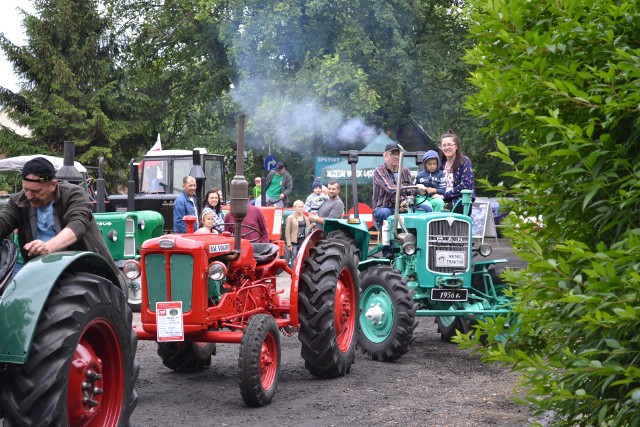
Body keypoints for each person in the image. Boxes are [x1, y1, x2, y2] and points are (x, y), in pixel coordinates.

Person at [0, 157, 118, 272]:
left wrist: (48, 247)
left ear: (53, 185)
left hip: (86, 270)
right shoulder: (18, 201)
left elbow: (78, 224)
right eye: (26, 190)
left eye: (36, 191)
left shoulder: (73, 194)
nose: (29, 196)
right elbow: (4, 221)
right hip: (40, 270)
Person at [439, 131, 475, 213]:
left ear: (456, 146)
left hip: (460, 202)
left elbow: (465, 185)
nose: (446, 147)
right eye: (444, 145)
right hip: (441, 200)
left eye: (449, 144)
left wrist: (444, 196)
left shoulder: (464, 162)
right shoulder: (440, 166)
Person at [285, 200, 310, 267]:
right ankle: (293, 274)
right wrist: (289, 244)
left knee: (303, 259)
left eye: (302, 207)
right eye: (299, 207)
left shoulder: (306, 218)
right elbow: (287, 232)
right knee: (294, 259)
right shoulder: (290, 218)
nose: (301, 208)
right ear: (295, 207)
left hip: (303, 241)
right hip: (294, 243)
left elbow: (308, 229)